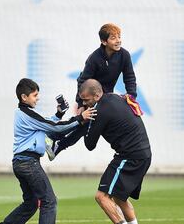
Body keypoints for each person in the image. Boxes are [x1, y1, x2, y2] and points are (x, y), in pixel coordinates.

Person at [0, 78, 96, 224]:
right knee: (49, 201)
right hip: (28, 163)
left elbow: (46, 123)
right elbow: (54, 127)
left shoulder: (24, 113)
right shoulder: (26, 114)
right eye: (34, 95)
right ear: (24, 97)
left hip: (21, 162)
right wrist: (79, 118)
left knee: (31, 204)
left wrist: (58, 114)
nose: (37, 98)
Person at [45, 23, 138, 160]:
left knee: (85, 124)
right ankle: (56, 141)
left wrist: (131, 98)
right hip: (92, 99)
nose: (118, 40)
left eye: (119, 37)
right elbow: (82, 80)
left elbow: (129, 77)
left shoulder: (124, 55)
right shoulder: (94, 58)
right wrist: (81, 104)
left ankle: (55, 140)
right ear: (103, 41)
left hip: (106, 99)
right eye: (113, 38)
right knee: (84, 122)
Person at [80, 79, 151, 224]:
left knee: (101, 196)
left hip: (130, 156)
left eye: (86, 100)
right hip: (143, 154)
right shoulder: (114, 97)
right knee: (119, 197)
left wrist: (85, 120)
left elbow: (89, 144)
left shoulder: (100, 111)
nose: (84, 104)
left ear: (97, 95)